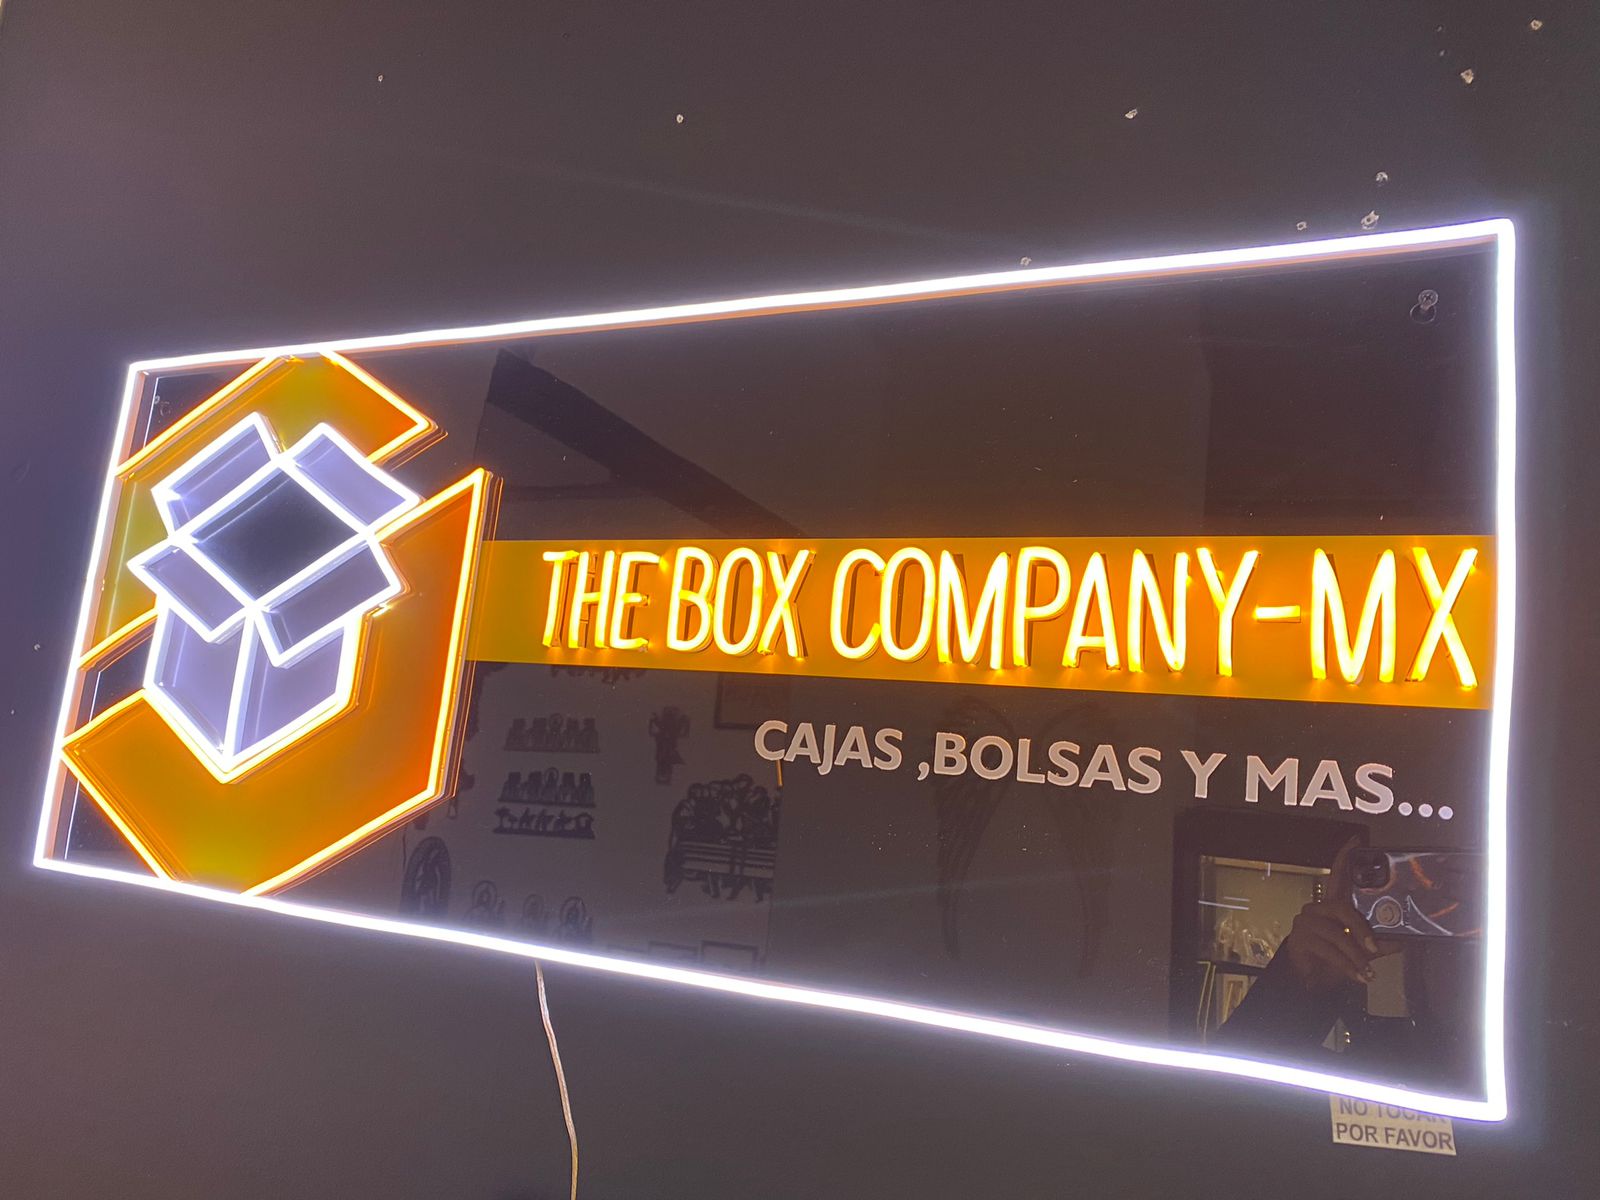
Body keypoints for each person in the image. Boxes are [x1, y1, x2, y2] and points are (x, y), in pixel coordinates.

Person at [1216, 839, 1481, 1090]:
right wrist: (1302, 986)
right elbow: (1227, 1094)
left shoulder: (1392, 1069)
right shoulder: (1389, 1063)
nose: (1459, 923)